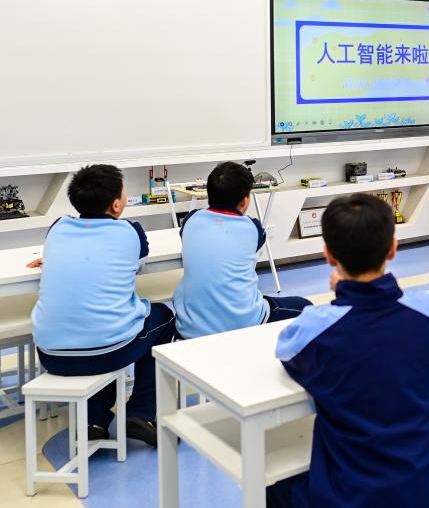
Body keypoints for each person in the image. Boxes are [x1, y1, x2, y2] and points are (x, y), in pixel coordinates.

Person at [267, 194, 429, 508]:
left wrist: (341, 294)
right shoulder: (425, 310)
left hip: (356, 496)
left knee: (271, 493)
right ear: (393, 248)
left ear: (329, 256)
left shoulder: (315, 328)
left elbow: (287, 350)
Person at [30, 164, 174, 446]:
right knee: (162, 316)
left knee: (96, 324)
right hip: (109, 351)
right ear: (117, 204)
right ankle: (141, 413)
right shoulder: (131, 231)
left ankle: (94, 420)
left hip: (50, 354)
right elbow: (137, 264)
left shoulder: (57, 228)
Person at [173, 161, 311, 339]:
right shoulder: (253, 228)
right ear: (245, 201)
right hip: (244, 322)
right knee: (305, 307)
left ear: (209, 194)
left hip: (190, 327)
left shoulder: (190, 220)